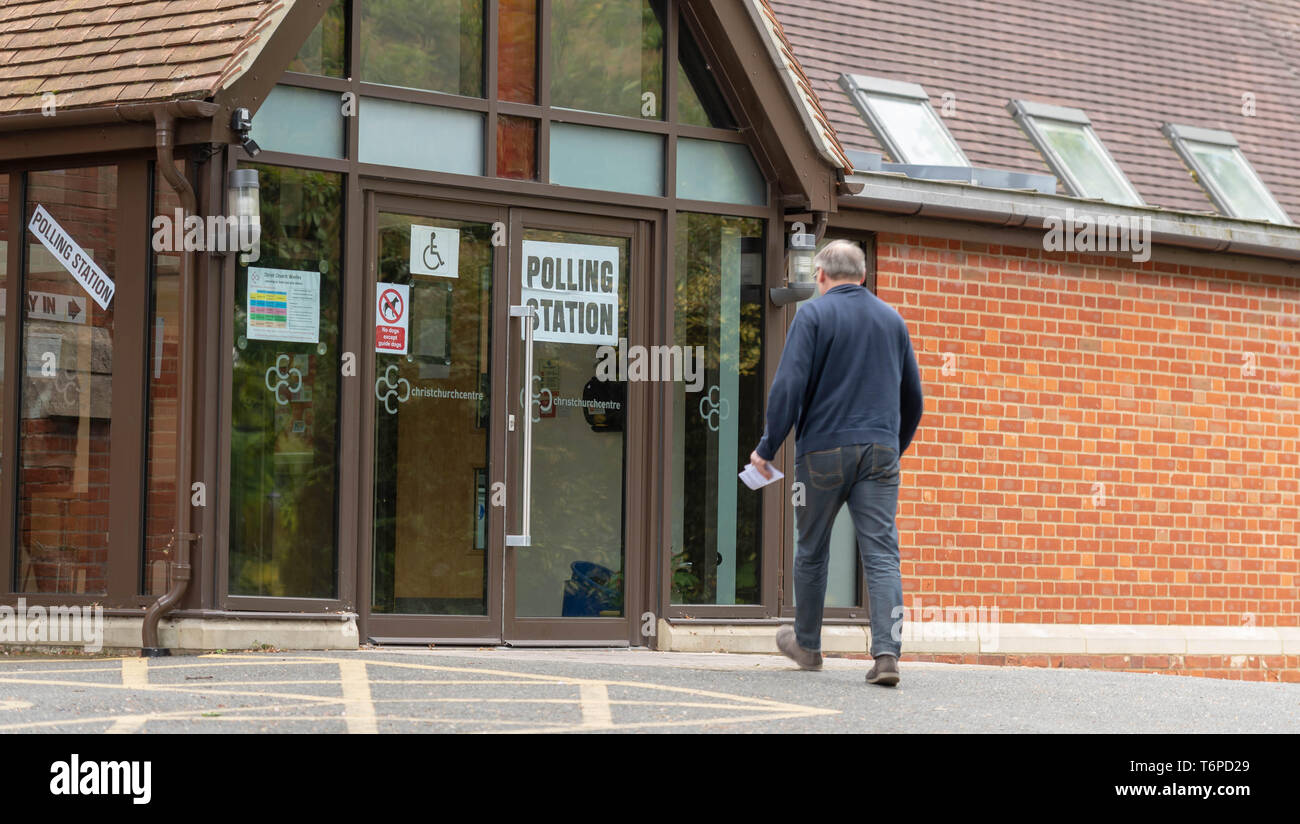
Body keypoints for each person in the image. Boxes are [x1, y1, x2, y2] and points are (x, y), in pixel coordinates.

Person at [750, 239, 923, 686]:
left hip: (822, 452)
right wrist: (889, 450)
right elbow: (914, 400)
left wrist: (767, 448)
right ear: (863, 276)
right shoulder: (892, 320)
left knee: (811, 548)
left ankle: (807, 645)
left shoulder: (812, 314)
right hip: (880, 451)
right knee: (883, 555)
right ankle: (887, 655)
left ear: (821, 277)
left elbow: (787, 387)